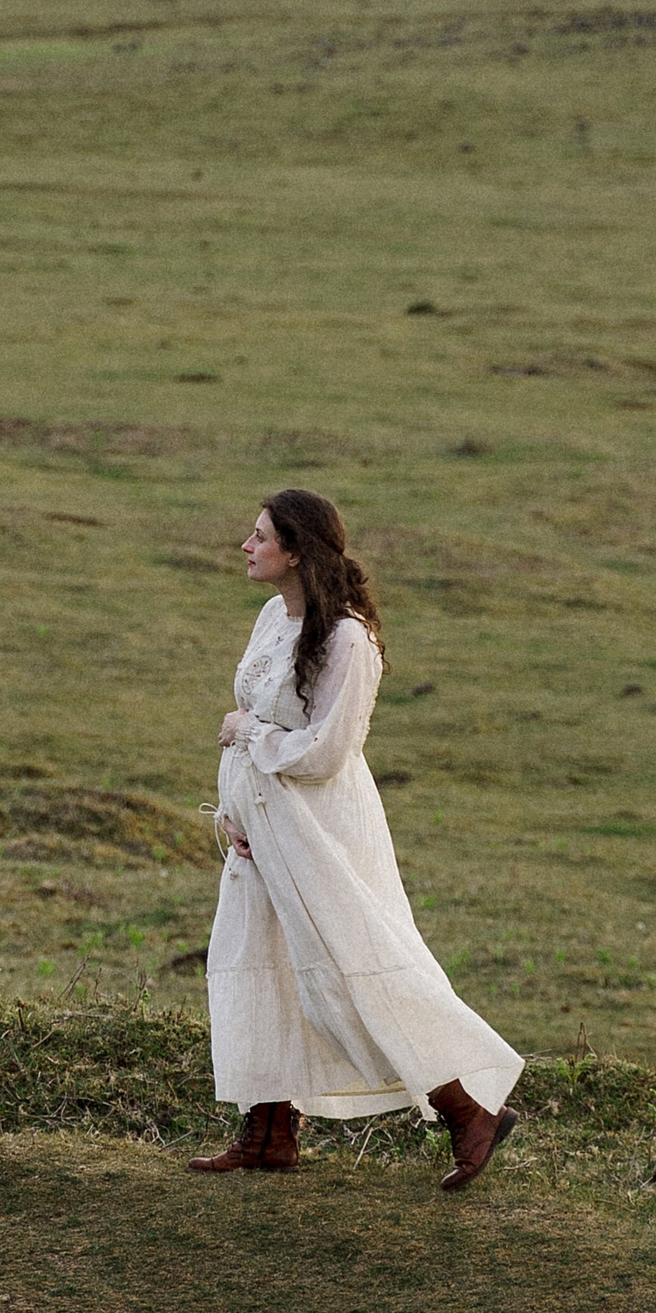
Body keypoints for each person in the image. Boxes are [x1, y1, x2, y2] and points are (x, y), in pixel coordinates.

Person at [191, 487, 523, 1189]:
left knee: (349, 970)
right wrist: (233, 814)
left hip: (320, 835)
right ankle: (270, 1130)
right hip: (262, 835)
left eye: (259, 537)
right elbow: (260, 725)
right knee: (256, 965)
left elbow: (324, 754)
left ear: (296, 550)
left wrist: (246, 731)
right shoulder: (270, 619)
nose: (245, 547)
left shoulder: (348, 639)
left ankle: (468, 1111)